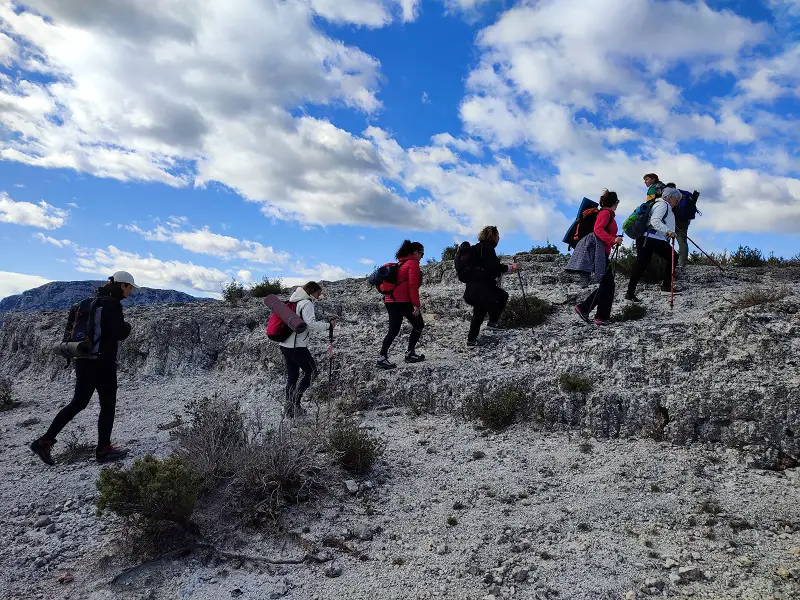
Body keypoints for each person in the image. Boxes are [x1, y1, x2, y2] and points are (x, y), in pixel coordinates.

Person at [30, 271, 138, 466]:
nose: (130, 291)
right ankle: (103, 450)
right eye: (130, 287)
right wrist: (128, 325)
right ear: (122, 285)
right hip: (103, 363)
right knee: (107, 405)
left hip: (84, 360)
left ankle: (44, 441)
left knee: (78, 403)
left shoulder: (86, 303)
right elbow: (120, 333)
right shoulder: (111, 304)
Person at [279, 281, 334, 416]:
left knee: (293, 376)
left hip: (284, 344)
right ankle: (295, 404)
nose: (319, 295)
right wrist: (329, 326)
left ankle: (290, 408)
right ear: (311, 291)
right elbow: (310, 324)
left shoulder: (294, 300)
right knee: (312, 371)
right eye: (318, 293)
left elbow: (304, 316)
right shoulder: (307, 303)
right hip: (297, 346)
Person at [573, 190, 624, 325]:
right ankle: (600, 317)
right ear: (616, 202)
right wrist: (613, 240)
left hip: (601, 252)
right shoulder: (605, 213)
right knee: (608, 284)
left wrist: (612, 240)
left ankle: (584, 308)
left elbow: (601, 231)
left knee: (607, 284)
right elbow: (598, 229)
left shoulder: (607, 214)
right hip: (598, 253)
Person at [464, 226, 519, 347]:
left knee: (479, 312)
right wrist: (511, 268)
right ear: (493, 236)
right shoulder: (487, 248)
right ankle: (493, 322)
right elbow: (494, 267)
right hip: (484, 286)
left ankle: (471, 340)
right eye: (498, 236)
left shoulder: (475, 248)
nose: (499, 238)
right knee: (503, 296)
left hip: (472, 287)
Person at [625, 187, 682, 302]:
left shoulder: (658, 204)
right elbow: (655, 221)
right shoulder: (663, 205)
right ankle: (666, 287)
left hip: (645, 238)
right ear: (670, 198)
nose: (677, 202)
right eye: (677, 199)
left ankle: (629, 294)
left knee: (641, 264)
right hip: (653, 238)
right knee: (673, 256)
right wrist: (668, 231)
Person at [376, 240, 425, 370]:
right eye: (422, 253)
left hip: (390, 301)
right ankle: (409, 353)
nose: (422, 256)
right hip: (403, 301)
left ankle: (383, 357)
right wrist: (416, 305)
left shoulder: (400, 263)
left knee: (393, 330)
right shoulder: (412, 263)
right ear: (415, 253)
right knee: (419, 324)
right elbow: (412, 286)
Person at [664, 182, 690, 270]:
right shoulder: (683, 195)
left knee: (664, 240)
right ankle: (682, 263)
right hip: (684, 221)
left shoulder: (671, 195)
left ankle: (664, 260)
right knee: (682, 242)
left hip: (673, 220)